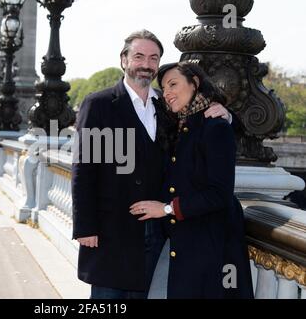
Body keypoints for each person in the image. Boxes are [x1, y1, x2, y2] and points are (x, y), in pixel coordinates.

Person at [71, 30, 232, 299]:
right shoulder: (98, 104)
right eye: (139, 56)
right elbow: (84, 169)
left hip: (157, 230)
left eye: (153, 58)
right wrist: (86, 227)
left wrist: (227, 113)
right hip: (112, 230)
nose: (146, 64)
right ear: (124, 60)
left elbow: (203, 121)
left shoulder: (167, 103)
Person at [130, 61, 254, 299]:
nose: (167, 93)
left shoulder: (215, 126)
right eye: (164, 87)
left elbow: (219, 193)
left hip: (211, 244)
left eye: (173, 84)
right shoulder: (178, 125)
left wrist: (166, 208)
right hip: (183, 242)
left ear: (195, 83)